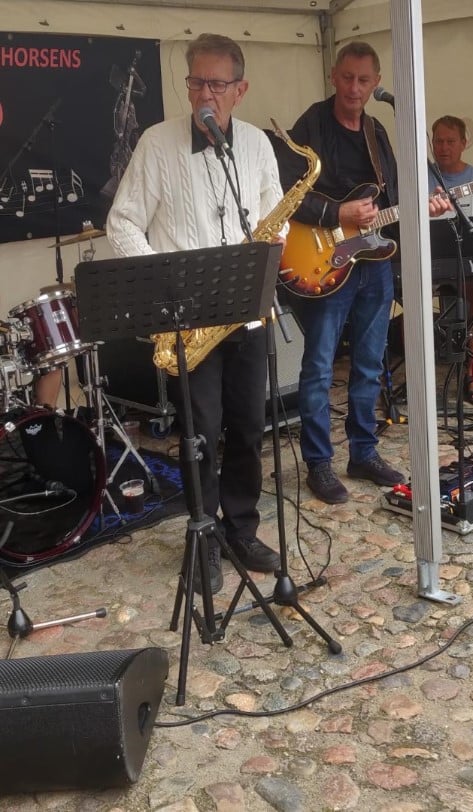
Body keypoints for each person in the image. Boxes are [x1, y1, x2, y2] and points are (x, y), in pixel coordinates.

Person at [106, 33, 284, 594]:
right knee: (200, 435)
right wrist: (166, 283)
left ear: (240, 89)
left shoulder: (257, 144)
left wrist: (273, 240)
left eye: (216, 84)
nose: (205, 94)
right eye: (196, 82)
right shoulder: (155, 143)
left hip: (247, 316)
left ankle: (242, 528)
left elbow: (274, 212)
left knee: (249, 429)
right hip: (190, 323)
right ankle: (204, 536)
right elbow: (121, 222)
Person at [280, 41, 452, 505]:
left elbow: (391, 200)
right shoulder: (311, 125)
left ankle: (363, 452)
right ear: (333, 76)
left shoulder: (377, 132)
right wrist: (337, 212)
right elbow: (285, 192)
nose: (354, 88)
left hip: (373, 263)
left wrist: (422, 210)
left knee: (371, 362)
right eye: (347, 78)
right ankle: (319, 463)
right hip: (322, 259)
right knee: (319, 367)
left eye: (363, 80)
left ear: (377, 83)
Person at [429, 115, 473, 404]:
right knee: (410, 298)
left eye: (450, 141)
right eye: (438, 141)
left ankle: (471, 373)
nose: (443, 147)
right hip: (427, 263)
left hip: (468, 266)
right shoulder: (419, 176)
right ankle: (418, 379)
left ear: (464, 143)